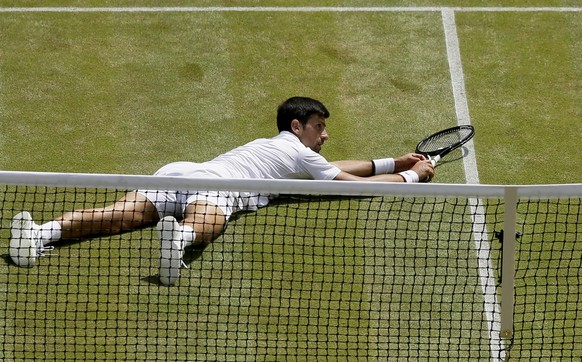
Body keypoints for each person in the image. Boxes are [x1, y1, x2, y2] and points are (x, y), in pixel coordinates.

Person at [9, 96, 435, 286]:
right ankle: (181, 239)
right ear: (297, 126)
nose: (325, 135)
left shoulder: (280, 148)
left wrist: (396, 163)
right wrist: (416, 177)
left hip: (183, 171)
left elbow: (335, 167)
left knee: (121, 213)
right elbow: (353, 187)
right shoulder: (301, 155)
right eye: (320, 127)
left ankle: (40, 234)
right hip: (220, 187)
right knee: (210, 219)